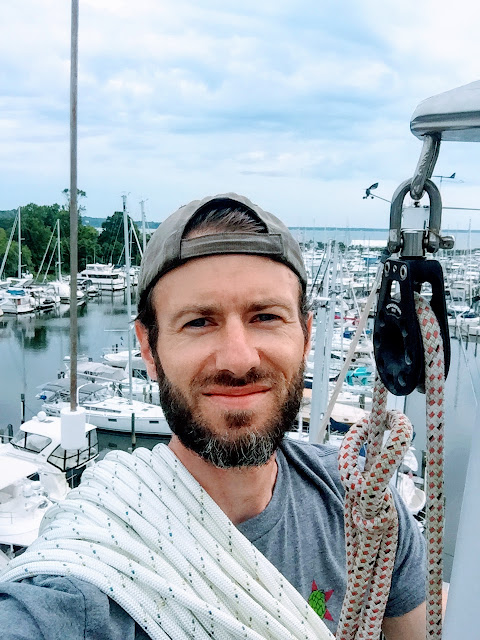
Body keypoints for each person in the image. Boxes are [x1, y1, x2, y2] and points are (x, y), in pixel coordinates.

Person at [0, 193, 426, 639]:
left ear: (305, 334)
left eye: (265, 316)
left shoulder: (364, 509)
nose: (239, 360)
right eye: (199, 322)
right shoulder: (80, 591)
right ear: (148, 347)